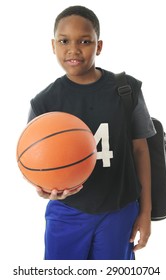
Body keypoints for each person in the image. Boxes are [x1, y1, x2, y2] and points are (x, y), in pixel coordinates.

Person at [28, 5, 156, 260]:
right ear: (53, 45)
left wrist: (145, 212)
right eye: (64, 41)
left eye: (85, 41)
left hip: (119, 210)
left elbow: (141, 151)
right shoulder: (44, 103)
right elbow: (33, 162)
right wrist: (42, 186)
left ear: (98, 46)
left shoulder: (126, 90)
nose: (73, 49)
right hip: (67, 212)